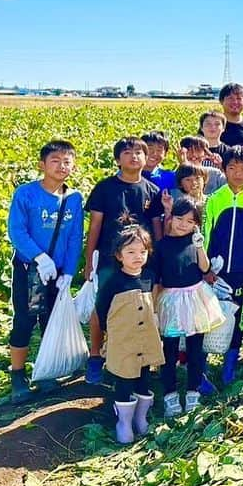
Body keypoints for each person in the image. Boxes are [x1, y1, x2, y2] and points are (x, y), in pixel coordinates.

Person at [7, 139, 84, 402]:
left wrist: (69, 273)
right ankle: (17, 375)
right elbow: (16, 231)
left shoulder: (73, 198)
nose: (62, 166)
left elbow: (75, 237)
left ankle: (46, 371)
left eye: (67, 161)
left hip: (59, 271)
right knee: (25, 320)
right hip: (31, 269)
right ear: (42, 165)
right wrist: (39, 257)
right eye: (55, 161)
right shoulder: (26, 194)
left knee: (50, 321)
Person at [83, 137, 164, 385]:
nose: (134, 156)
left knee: (140, 306)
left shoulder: (152, 190)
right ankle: (96, 356)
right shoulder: (105, 188)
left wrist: (158, 260)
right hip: (110, 260)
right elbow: (95, 226)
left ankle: (136, 357)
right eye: (127, 152)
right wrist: (89, 260)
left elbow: (157, 229)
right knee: (102, 306)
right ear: (118, 159)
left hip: (142, 261)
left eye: (139, 152)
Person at [202, 145, 243, 384]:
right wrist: (206, 268)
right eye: (232, 168)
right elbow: (206, 234)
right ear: (224, 170)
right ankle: (202, 370)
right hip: (216, 271)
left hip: (242, 270)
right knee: (209, 315)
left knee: (238, 316)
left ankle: (229, 367)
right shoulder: (215, 199)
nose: (238, 173)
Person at [151, 196, 223, 416]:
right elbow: (155, 280)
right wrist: (153, 310)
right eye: (179, 218)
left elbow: (204, 268)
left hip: (195, 300)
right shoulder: (161, 246)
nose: (183, 224)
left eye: (190, 221)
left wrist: (200, 246)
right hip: (171, 301)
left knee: (195, 348)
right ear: (171, 218)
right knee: (169, 349)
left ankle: (193, 393)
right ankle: (170, 395)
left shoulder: (195, 242)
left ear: (196, 224)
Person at [95, 226, 164, 443]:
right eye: (131, 252)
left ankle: (141, 419)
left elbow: (152, 304)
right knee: (124, 380)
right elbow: (102, 309)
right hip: (124, 340)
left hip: (145, 339)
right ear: (119, 255)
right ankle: (123, 423)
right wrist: (113, 332)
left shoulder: (149, 277)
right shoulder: (113, 282)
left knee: (144, 378)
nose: (137, 257)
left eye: (142, 252)